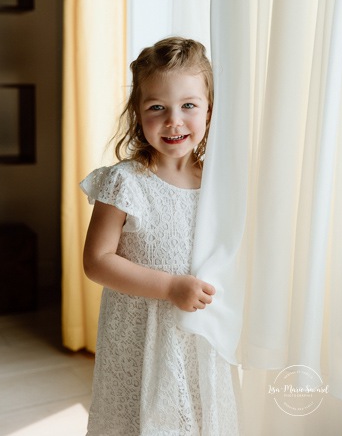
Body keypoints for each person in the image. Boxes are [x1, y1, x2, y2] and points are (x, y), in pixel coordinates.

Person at [81, 37, 238, 435]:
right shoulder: (125, 182)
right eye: (157, 108)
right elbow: (97, 261)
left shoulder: (218, 186)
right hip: (140, 335)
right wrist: (169, 286)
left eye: (188, 106)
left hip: (198, 336)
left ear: (209, 110)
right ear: (137, 113)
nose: (174, 121)